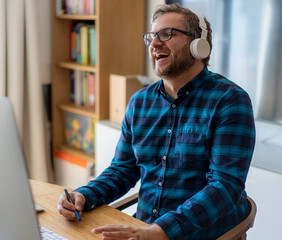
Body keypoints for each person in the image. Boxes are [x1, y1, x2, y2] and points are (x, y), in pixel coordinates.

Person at [57, 3, 256, 240]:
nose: (154, 44)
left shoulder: (230, 101)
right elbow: (123, 169)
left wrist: (161, 230)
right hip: (143, 231)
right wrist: (85, 196)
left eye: (167, 34)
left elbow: (225, 188)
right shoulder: (139, 102)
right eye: (151, 37)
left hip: (203, 234)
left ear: (198, 44)